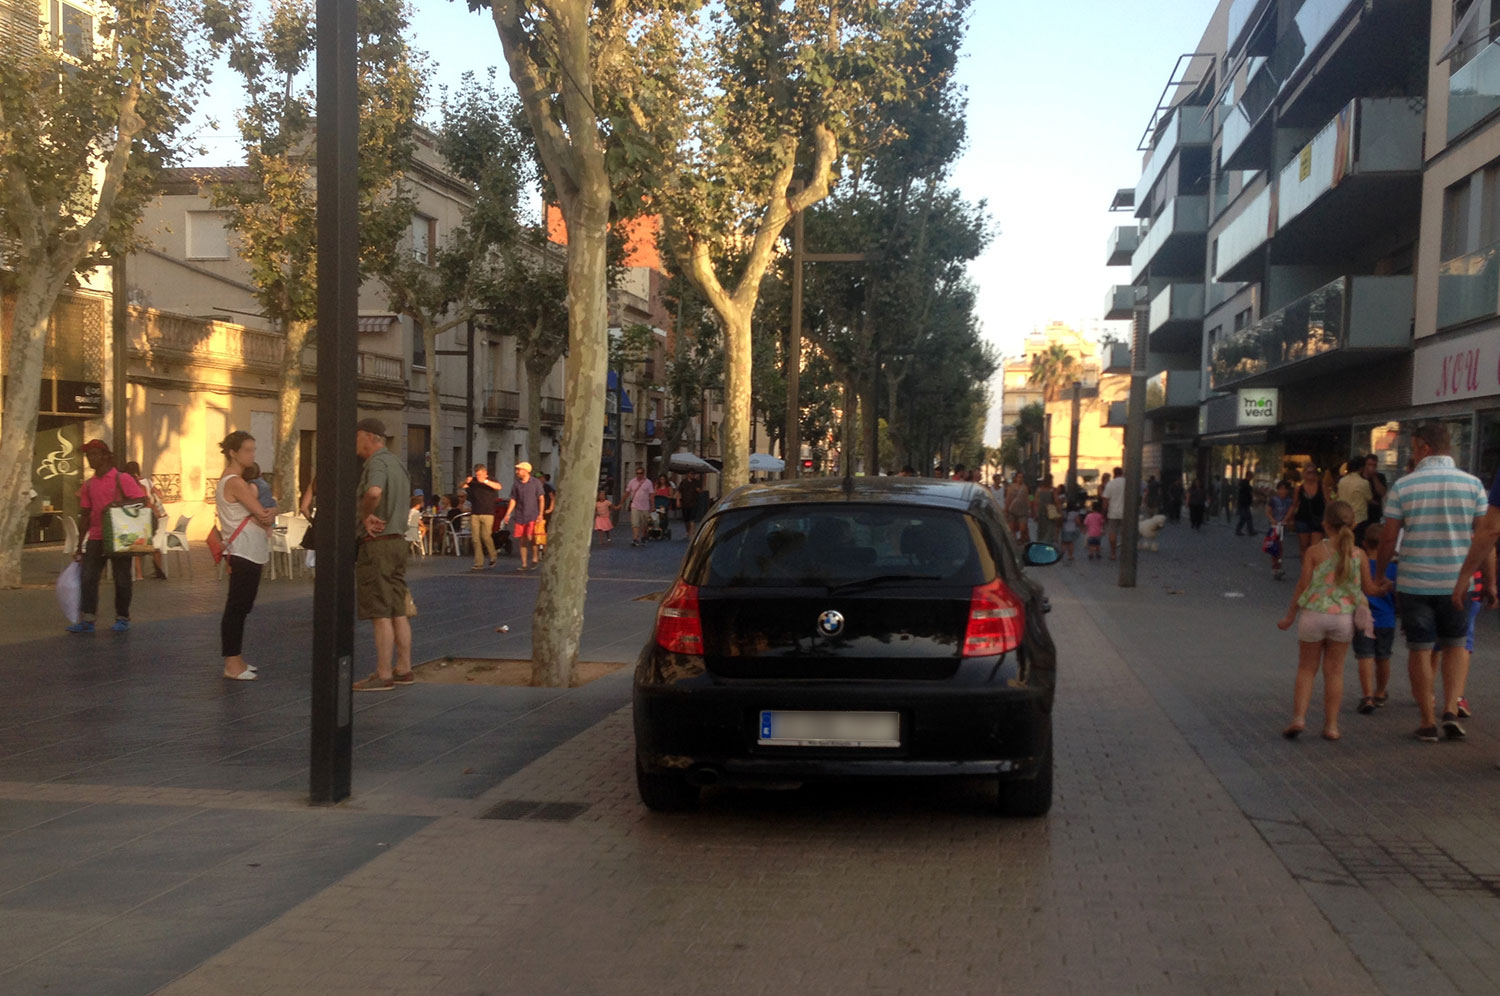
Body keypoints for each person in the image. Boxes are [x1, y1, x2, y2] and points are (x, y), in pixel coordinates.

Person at [1376, 422, 1491, 742]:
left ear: (1424, 447)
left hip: (1415, 583)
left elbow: (1388, 539)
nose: (1412, 452)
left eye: (1413, 447)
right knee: (1456, 645)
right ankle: (1451, 710)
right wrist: (1491, 582)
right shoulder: (1473, 485)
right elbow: (1485, 539)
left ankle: (1427, 721)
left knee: (1420, 650)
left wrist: (1379, 575)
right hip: (1457, 583)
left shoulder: (1404, 486)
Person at [1277, 500, 1391, 741]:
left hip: (1313, 616)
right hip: (1342, 620)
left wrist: (1289, 616)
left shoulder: (1314, 552)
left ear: (1325, 524)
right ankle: (1331, 726)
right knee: (1335, 672)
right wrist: (1384, 588)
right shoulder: (1358, 554)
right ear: (1353, 524)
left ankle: (1298, 718)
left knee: (1307, 669)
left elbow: (1302, 585)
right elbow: (1369, 590)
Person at [350, 418, 416, 692]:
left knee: (380, 611)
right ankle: (404, 667)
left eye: (357, 438)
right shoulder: (398, 463)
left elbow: (374, 492)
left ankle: (383, 672)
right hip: (400, 541)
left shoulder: (376, 463)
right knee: (397, 607)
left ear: (368, 437)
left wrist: (365, 516)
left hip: (378, 544)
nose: (355, 444)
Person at [69, 440, 147, 634]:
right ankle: (87, 619)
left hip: (121, 537)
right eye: (88, 456)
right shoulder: (88, 485)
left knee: (122, 579)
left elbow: (141, 500)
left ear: (105, 456)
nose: (90, 459)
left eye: (94, 455)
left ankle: (122, 617)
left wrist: (116, 506)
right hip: (96, 537)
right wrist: (79, 546)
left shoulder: (123, 478)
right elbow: (85, 515)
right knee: (88, 578)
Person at [215, 432, 275, 680]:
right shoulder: (236, 482)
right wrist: (272, 510)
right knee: (238, 606)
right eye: (248, 450)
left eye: (253, 449)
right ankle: (232, 662)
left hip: (246, 549)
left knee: (241, 606)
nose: (252, 454)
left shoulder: (233, 480)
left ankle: (236, 659)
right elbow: (263, 514)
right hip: (244, 550)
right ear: (233, 452)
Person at [1354, 521, 1398, 715]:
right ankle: (1380, 691)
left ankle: (1367, 695)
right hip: (1386, 619)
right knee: (1383, 657)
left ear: (1364, 543)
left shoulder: (1357, 566)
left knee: (1365, 656)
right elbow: (1398, 595)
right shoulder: (1393, 568)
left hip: (1362, 618)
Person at [123, 460, 168, 580]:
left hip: (142, 520)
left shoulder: (134, 486)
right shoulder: (147, 482)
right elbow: (159, 495)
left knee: (138, 542)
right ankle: (157, 568)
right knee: (150, 543)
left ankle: (139, 574)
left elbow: (143, 503)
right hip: (151, 519)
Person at [500, 460, 546, 571]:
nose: (517, 471)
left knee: (531, 538)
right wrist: (508, 513)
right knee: (522, 540)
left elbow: (541, 499)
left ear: (526, 471)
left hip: (532, 515)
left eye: (519, 469)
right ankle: (524, 563)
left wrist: (540, 514)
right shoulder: (516, 484)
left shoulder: (535, 483)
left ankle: (535, 557)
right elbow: (513, 499)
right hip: (520, 515)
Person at [463, 464, 503, 570]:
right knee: (475, 538)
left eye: (480, 474)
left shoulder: (491, 480)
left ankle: (493, 555)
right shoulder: (473, 481)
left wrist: (485, 481)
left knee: (486, 536)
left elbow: (499, 487)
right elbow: (462, 486)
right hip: (475, 512)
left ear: (485, 473)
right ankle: (478, 562)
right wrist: (466, 482)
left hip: (488, 512)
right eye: (477, 474)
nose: (478, 476)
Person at [1286, 466, 1326, 556]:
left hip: (1318, 519)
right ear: (1304, 474)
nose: (1311, 474)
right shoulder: (1299, 489)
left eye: (1313, 472)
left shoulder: (1322, 487)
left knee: (1315, 547)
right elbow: (1294, 504)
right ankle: (1305, 567)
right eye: (1309, 472)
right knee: (1304, 546)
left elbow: (1328, 503)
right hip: (1302, 519)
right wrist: (1288, 519)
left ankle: (1313, 568)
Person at [1336, 454, 1374, 542]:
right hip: (1359, 519)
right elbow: (1369, 498)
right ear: (1361, 468)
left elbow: (1337, 496)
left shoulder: (1342, 481)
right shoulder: (1364, 483)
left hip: (1343, 518)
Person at [1266, 480, 1294, 580]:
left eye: (1285, 489)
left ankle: (1278, 566)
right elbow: (1268, 512)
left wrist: (1285, 520)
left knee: (1280, 547)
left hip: (1282, 526)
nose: (1283, 491)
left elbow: (1290, 511)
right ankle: (1275, 566)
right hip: (1274, 526)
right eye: (1281, 489)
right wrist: (1273, 521)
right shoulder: (1273, 500)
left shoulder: (1289, 501)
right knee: (1275, 546)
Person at [624, 464, 654, 547]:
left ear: (643, 474)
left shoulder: (648, 482)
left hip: (645, 506)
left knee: (644, 524)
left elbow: (651, 495)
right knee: (635, 523)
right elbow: (627, 492)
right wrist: (621, 503)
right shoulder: (632, 482)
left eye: (640, 473)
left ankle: (644, 536)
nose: (639, 475)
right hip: (635, 506)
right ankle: (635, 538)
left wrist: (652, 506)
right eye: (637, 473)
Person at [1101, 467, 1126, 560]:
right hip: (1127, 513)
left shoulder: (1110, 484)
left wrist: (1103, 513)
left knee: (1112, 533)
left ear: (1114, 473)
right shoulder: (1128, 483)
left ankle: (1113, 553)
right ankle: (1125, 553)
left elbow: (1105, 500)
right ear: (1122, 472)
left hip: (1113, 513)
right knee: (1126, 534)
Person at [1004, 472, 1031, 543]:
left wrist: (1030, 508)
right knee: (1012, 528)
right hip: (1012, 511)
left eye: (1021, 477)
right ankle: (1014, 543)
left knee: (1023, 528)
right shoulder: (1011, 487)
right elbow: (1008, 498)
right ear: (1016, 478)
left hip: (1022, 511)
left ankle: (1022, 540)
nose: (1020, 479)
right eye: (1019, 477)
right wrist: (1006, 509)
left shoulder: (1025, 488)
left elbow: (1029, 498)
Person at [1034, 475, 1059, 544]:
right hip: (1051, 512)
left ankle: (1040, 544)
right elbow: (1057, 502)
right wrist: (1058, 512)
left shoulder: (1039, 490)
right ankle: (1048, 544)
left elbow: (1035, 503)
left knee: (1041, 530)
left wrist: (1036, 513)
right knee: (1050, 530)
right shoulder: (1053, 490)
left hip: (1041, 512)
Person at [678, 471, 702, 537]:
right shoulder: (683, 482)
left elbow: (700, 491)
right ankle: (688, 531)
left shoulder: (696, 482)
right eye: (691, 474)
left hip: (694, 503)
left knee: (692, 519)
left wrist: (698, 490)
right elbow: (679, 491)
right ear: (688, 474)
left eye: (693, 474)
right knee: (686, 520)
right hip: (685, 503)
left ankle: (692, 533)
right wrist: (678, 501)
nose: (693, 475)